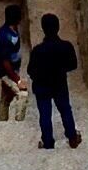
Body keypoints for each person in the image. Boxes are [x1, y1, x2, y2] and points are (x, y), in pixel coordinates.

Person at [27, 12, 82, 150]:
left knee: (45, 114)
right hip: (59, 83)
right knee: (65, 109)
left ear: (43, 28)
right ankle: (72, 137)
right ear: (58, 27)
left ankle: (48, 142)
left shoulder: (38, 50)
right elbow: (73, 65)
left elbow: (30, 70)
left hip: (42, 85)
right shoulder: (66, 46)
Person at [0, 2, 25, 122]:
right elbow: (5, 61)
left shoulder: (12, 30)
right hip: (6, 72)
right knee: (22, 94)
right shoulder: (5, 36)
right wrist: (18, 80)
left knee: (6, 97)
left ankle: (2, 120)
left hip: (12, 69)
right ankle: (19, 123)